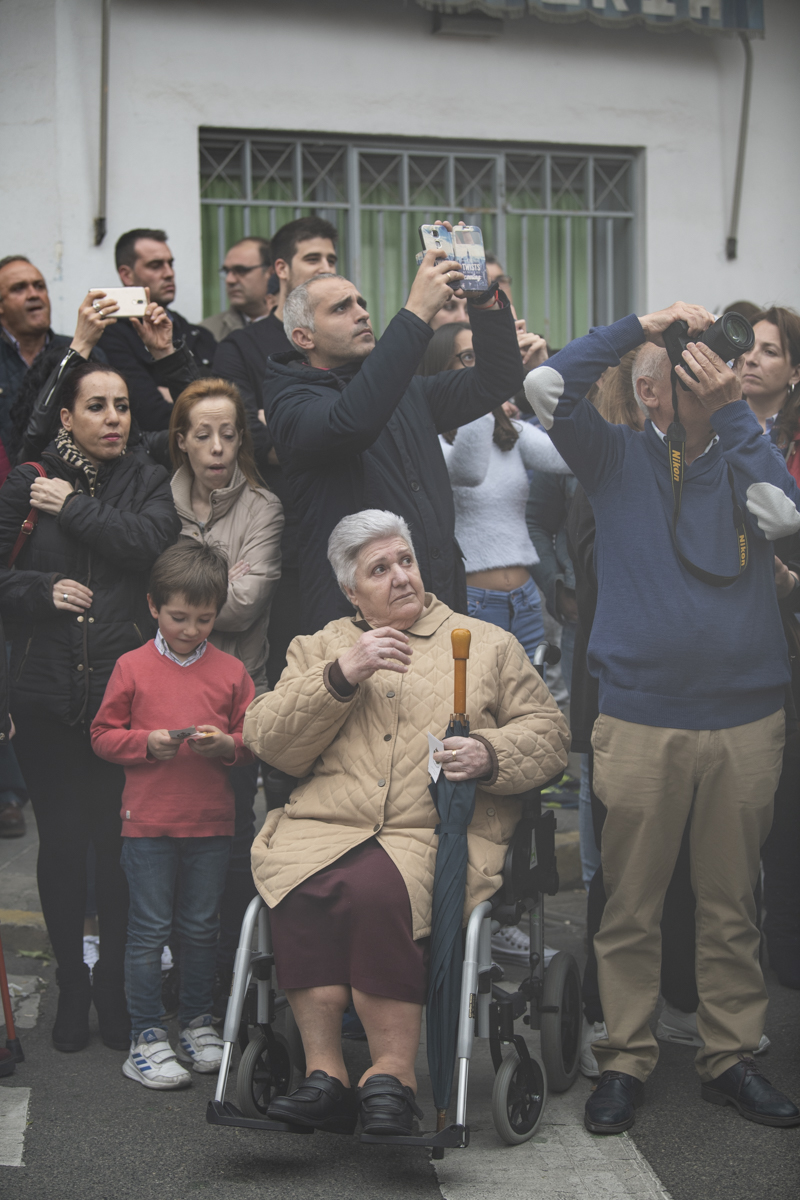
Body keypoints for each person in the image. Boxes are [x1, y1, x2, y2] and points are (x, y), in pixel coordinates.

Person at [525, 301, 800, 1132]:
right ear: (649, 394)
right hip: (641, 717)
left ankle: (731, 1056)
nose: (714, 375)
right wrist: (639, 326)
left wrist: (729, 416)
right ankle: (625, 1058)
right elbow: (545, 386)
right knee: (631, 902)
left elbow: (786, 519)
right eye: (687, 373)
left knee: (731, 903)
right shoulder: (612, 456)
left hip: (746, 718)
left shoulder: (745, 450)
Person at [242, 510, 570, 1134]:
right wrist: (343, 674)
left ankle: (392, 1075)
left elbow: (551, 735)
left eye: (406, 561)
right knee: (296, 883)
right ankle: (324, 1074)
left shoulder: (485, 643)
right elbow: (269, 740)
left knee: (376, 890)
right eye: (379, 569)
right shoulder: (319, 647)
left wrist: (490, 752)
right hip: (324, 826)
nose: (400, 577)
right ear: (351, 591)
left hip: (433, 833)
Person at [0, 345, 180, 1056]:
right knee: (62, 844)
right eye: (96, 406)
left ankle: (112, 986)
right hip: (44, 693)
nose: (113, 418)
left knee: (115, 845)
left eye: (122, 406)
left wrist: (72, 508)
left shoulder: (147, 479)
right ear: (66, 417)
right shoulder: (28, 480)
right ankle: (73, 984)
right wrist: (39, 591)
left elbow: (149, 547)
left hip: (121, 697)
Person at [265, 225, 524, 635]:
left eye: (361, 303)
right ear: (303, 337)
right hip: (359, 626)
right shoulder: (290, 401)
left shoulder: (406, 387)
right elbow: (352, 421)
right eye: (341, 308)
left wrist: (483, 299)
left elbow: (496, 380)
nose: (362, 313)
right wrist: (417, 312)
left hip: (438, 606)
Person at [91, 542, 255, 1089]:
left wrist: (227, 746)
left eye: (204, 619)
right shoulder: (131, 666)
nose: (190, 629)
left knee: (202, 929)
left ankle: (196, 1023)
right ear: (153, 607)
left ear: (218, 613)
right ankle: (145, 1035)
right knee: (148, 932)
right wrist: (144, 743)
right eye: (179, 616)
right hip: (147, 823)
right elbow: (101, 735)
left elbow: (253, 741)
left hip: (212, 822)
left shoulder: (232, 671)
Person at [167, 377, 284, 999]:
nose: (217, 448)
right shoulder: (159, 501)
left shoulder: (263, 507)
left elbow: (239, 608)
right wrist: (221, 574)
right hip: (165, 692)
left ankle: (229, 973)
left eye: (229, 435)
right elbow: (155, 597)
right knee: (169, 834)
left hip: (237, 694)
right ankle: (183, 965)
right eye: (204, 435)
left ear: (242, 441)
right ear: (182, 441)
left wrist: (188, 585)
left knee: (234, 832)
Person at [739, 305, 800, 990]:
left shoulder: (791, 444)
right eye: (747, 348)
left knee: (786, 814)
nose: (752, 359)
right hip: (730, 642)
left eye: (771, 350)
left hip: (787, 639)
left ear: (795, 370)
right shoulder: (707, 428)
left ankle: (783, 956)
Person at [97, 229, 216, 432]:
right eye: (155, 265)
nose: (169, 273)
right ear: (127, 275)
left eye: (170, 264)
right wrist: (201, 398)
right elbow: (150, 414)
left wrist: (170, 394)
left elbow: (228, 406)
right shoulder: (110, 334)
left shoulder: (199, 334)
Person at [0, 255, 72, 481]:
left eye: (39, 286)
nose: (34, 294)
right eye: (19, 288)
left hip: (72, 483)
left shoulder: (79, 350)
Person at [200, 237, 274, 342]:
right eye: (226, 271)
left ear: (271, 273)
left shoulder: (295, 325)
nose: (229, 280)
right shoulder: (208, 333)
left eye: (241, 270)